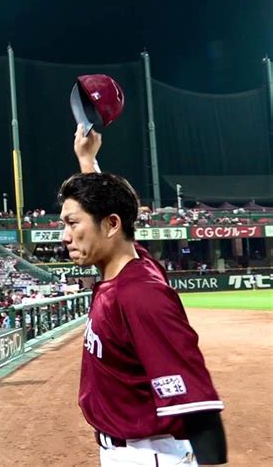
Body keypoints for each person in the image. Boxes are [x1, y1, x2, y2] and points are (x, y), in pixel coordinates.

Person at [57, 124, 227, 466]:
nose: (65, 235)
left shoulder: (140, 296)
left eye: (72, 223)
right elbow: (109, 216)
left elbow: (196, 402)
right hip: (133, 451)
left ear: (112, 225)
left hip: (148, 455)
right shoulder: (132, 265)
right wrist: (87, 161)